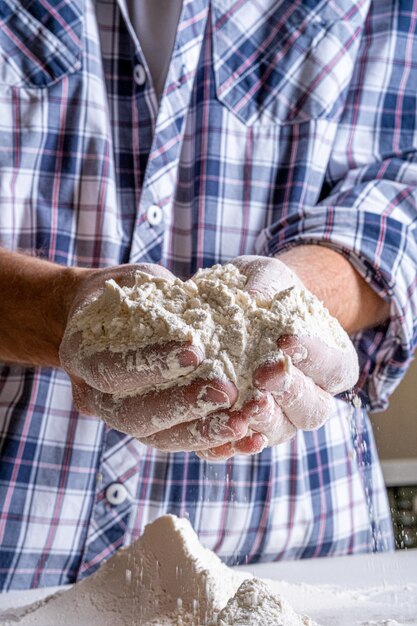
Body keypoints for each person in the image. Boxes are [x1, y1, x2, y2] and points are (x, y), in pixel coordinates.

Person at [0, 0, 415, 591]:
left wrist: (303, 299)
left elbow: (404, 179)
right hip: (17, 548)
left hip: (294, 552)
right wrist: (55, 308)